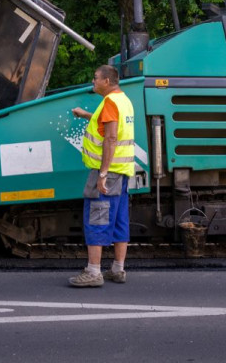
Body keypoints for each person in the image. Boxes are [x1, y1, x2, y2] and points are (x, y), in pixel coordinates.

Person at [68, 64, 136, 287]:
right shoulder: (123, 100)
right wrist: (86, 115)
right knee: (119, 220)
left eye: (96, 78)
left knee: (97, 218)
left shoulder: (110, 102)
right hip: (122, 172)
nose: (93, 81)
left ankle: (94, 272)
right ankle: (118, 269)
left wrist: (103, 173)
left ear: (107, 81)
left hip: (108, 171)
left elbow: (111, 138)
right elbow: (106, 125)